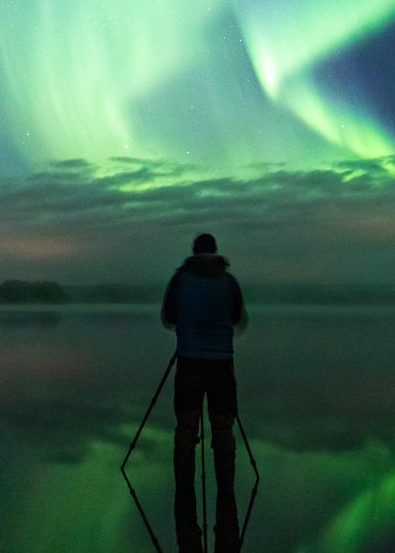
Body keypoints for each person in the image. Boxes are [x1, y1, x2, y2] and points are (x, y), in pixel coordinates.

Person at [161, 233, 247, 553]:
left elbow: (168, 317)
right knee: (223, 427)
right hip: (222, 361)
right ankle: (226, 490)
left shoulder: (180, 279)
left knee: (186, 427)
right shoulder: (229, 281)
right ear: (216, 251)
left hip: (189, 362)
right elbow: (238, 318)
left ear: (194, 252)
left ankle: (184, 490)